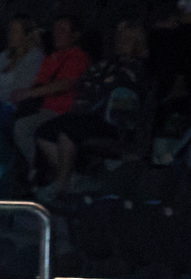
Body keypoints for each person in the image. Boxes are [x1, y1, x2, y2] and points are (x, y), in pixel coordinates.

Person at [30, 21, 150, 196]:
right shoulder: (107, 64)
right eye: (120, 37)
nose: (122, 41)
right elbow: (86, 82)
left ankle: (62, 189)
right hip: (88, 114)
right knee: (43, 132)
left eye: (128, 38)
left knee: (68, 132)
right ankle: (72, 179)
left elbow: (123, 96)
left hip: (115, 122)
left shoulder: (139, 67)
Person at [8, 16, 91, 170]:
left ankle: (43, 172)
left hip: (63, 111)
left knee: (23, 127)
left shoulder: (77, 56)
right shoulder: (52, 57)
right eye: (56, 30)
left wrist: (31, 93)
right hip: (44, 108)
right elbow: (40, 82)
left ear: (75, 35)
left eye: (63, 31)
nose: (57, 34)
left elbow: (66, 83)